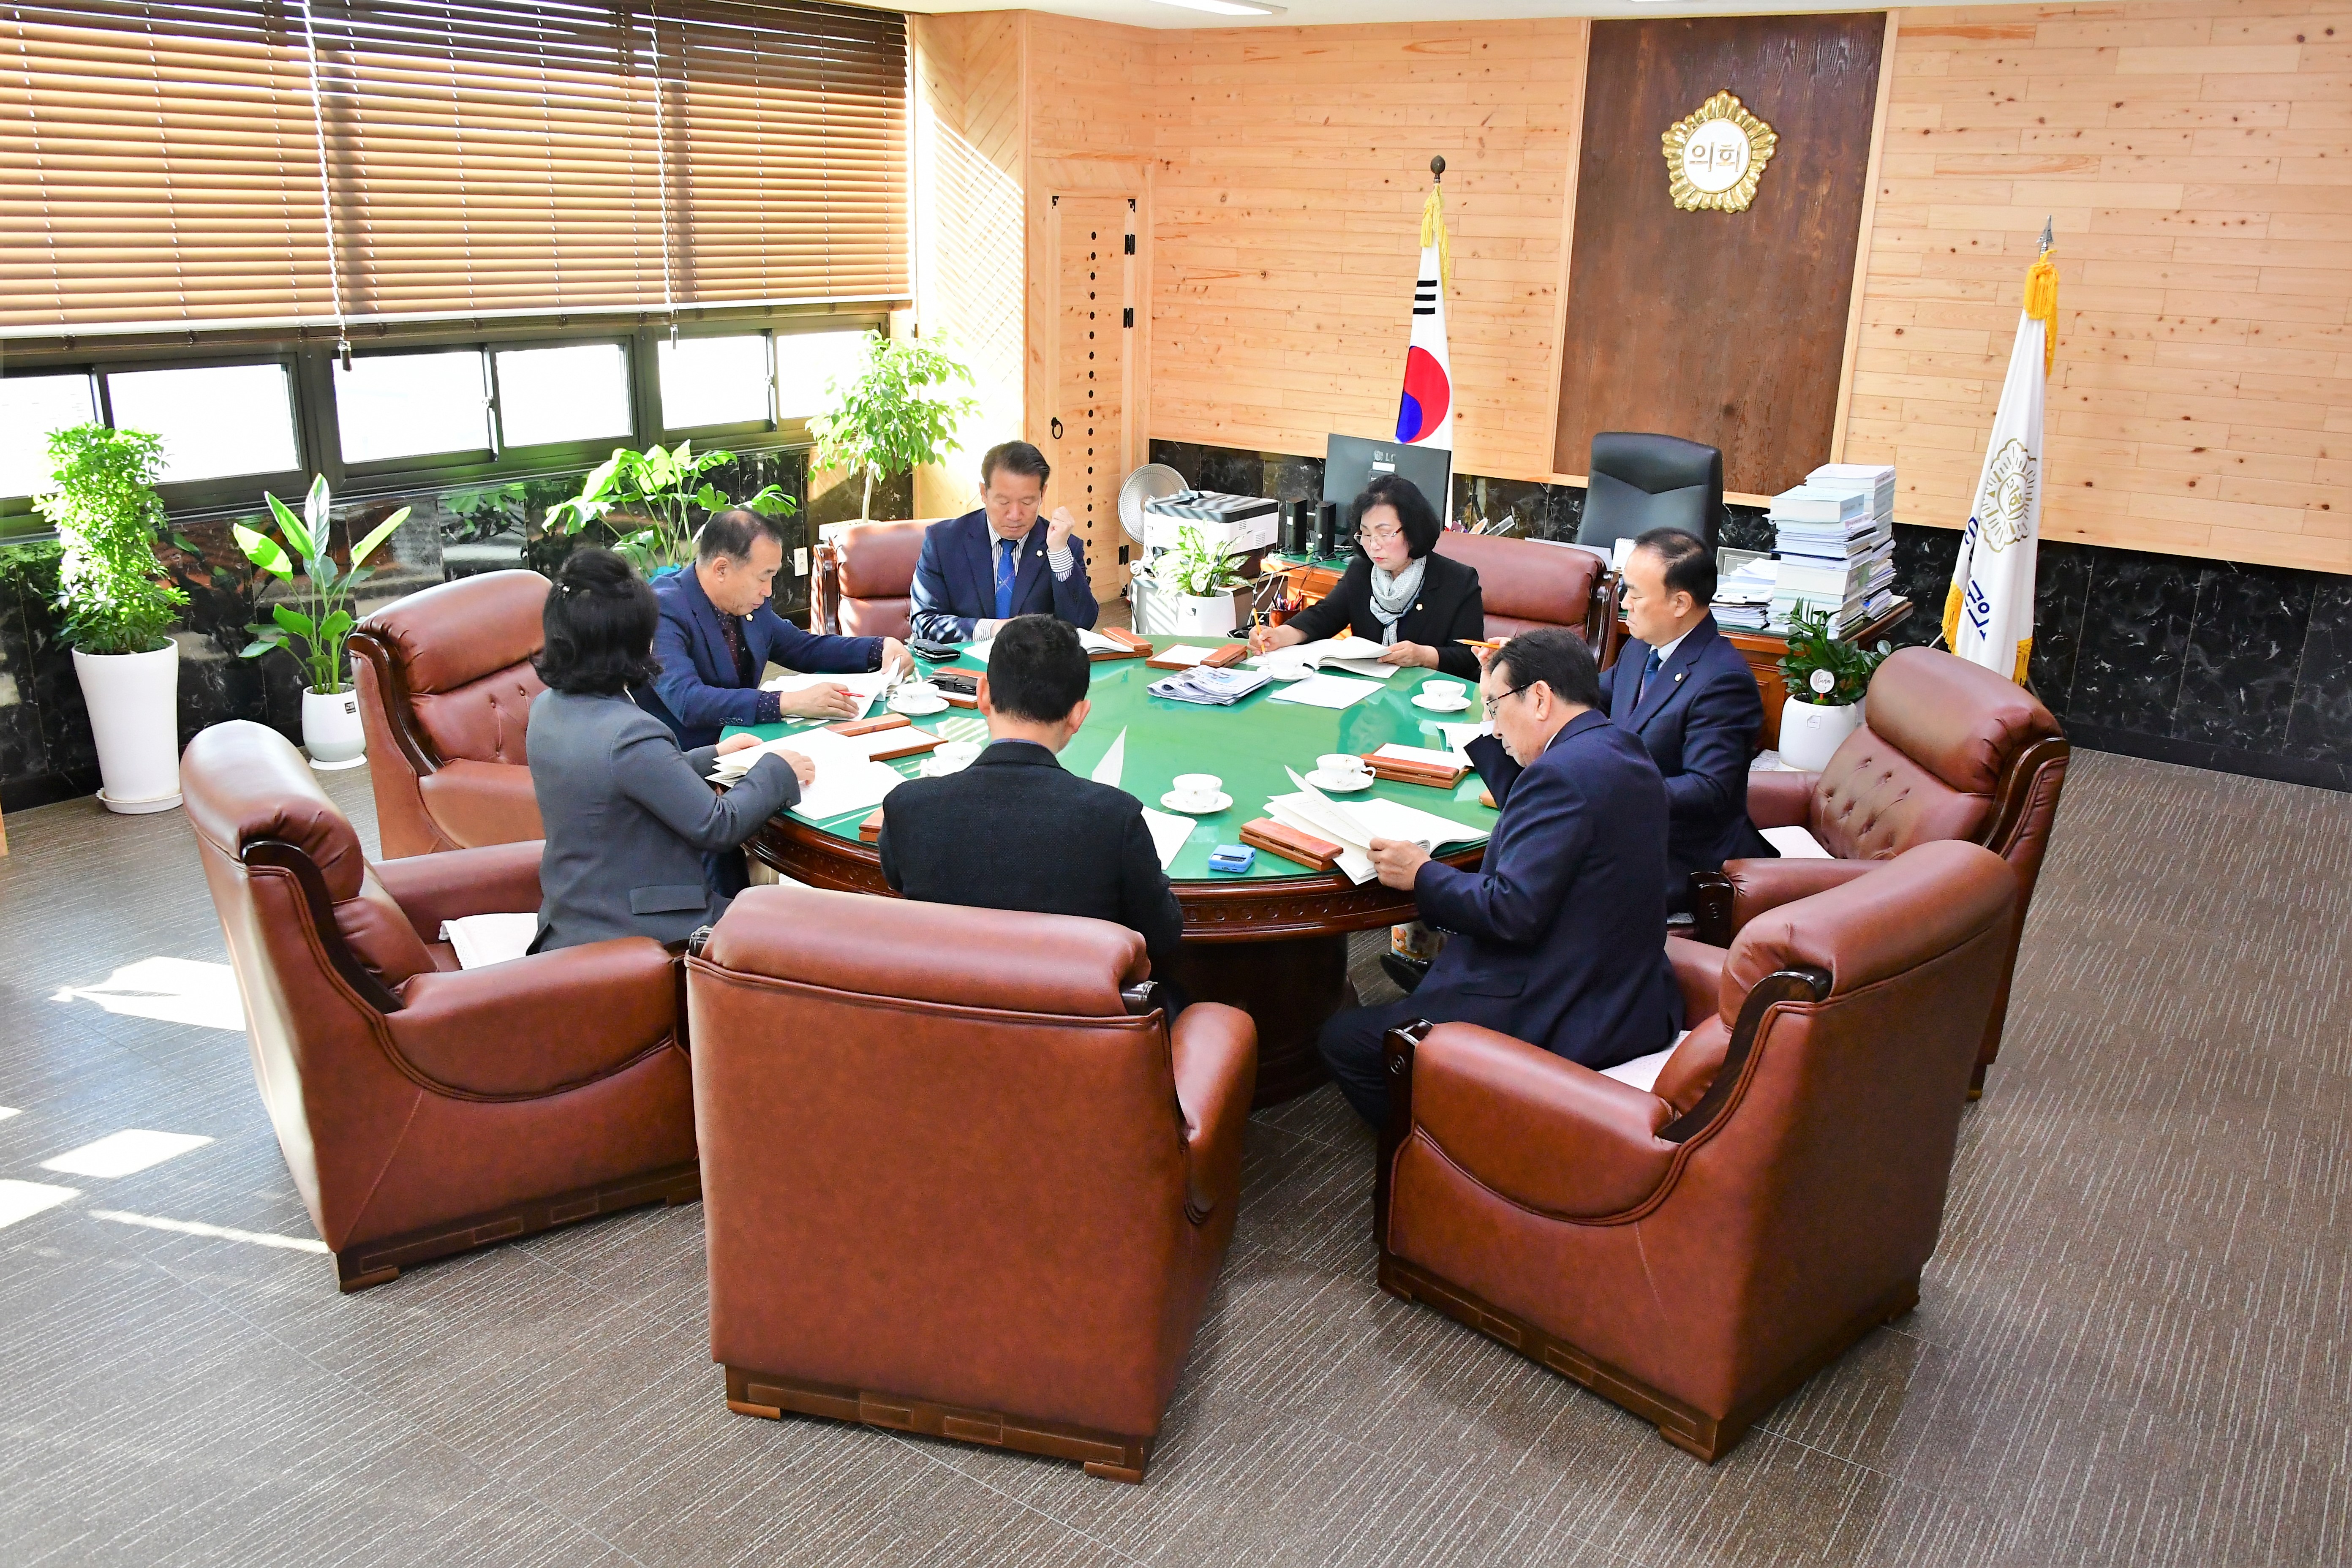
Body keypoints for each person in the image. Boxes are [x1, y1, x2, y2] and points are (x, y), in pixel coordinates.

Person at [1317, 627, 1682, 1126]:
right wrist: (1497, 713)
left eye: (1494, 706)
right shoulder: (1620, 748)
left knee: (1343, 1040)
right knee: (1426, 988)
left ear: (1539, 698)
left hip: (1563, 1003)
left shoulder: (1560, 777)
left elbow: (1510, 910)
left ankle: (1441, 1150)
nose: (1491, 725)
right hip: (1628, 989)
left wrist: (1421, 874)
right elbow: (1555, 826)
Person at [1464, 526, 1771, 912]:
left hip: (1673, 853)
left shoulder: (1723, 680)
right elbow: (1577, 700)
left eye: (1636, 595)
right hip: (1619, 831)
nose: (1623, 603)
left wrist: (1611, 788)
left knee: (1538, 886)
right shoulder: (1642, 651)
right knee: (1520, 856)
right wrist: (1516, 673)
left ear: (1680, 603)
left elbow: (1709, 790)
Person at [877, 613, 1184, 991]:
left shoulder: (909, 807)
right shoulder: (1114, 818)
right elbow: (1163, 934)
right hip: (1076, 1037)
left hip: (944, 1032)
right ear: (1078, 715)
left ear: (984, 694)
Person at [528, 548, 808, 952]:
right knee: (806, 928)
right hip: (646, 927)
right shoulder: (629, 733)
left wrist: (714, 754)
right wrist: (777, 769)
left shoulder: (548, 707)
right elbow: (718, 825)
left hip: (579, 914)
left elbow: (622, 779)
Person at [638, 507, 910, 750]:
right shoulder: (663, 608)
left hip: (747, 745)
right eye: (763, 577)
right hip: (685, 764)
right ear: (721, 569)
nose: (768, 592)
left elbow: (802, 648)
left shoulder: (750, 604)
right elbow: (689, 702)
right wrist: (786, 702)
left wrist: (879, 648)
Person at [1247, 473, 1483, 678]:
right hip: (1370, 696)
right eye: (1366, 534)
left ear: (1413, 531)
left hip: (1428, 700)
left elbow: (1470, 657)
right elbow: (1324, 616)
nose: (1374, 546)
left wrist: (1425, 656)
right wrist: (1278, 636)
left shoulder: (1458, 581)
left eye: (1384, 534)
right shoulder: (1362, 572)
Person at [908, 441, 1100, 643]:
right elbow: (924, 621)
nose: (1015, 515)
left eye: (1027, 502)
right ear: (984, 492)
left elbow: (1081, 623)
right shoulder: (944, 542)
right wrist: (992, 629)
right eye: (1003, 502)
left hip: (1036, 671)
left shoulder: (1062, 545)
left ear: (1043, 493)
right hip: (963, 668)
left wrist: (1059, 553)